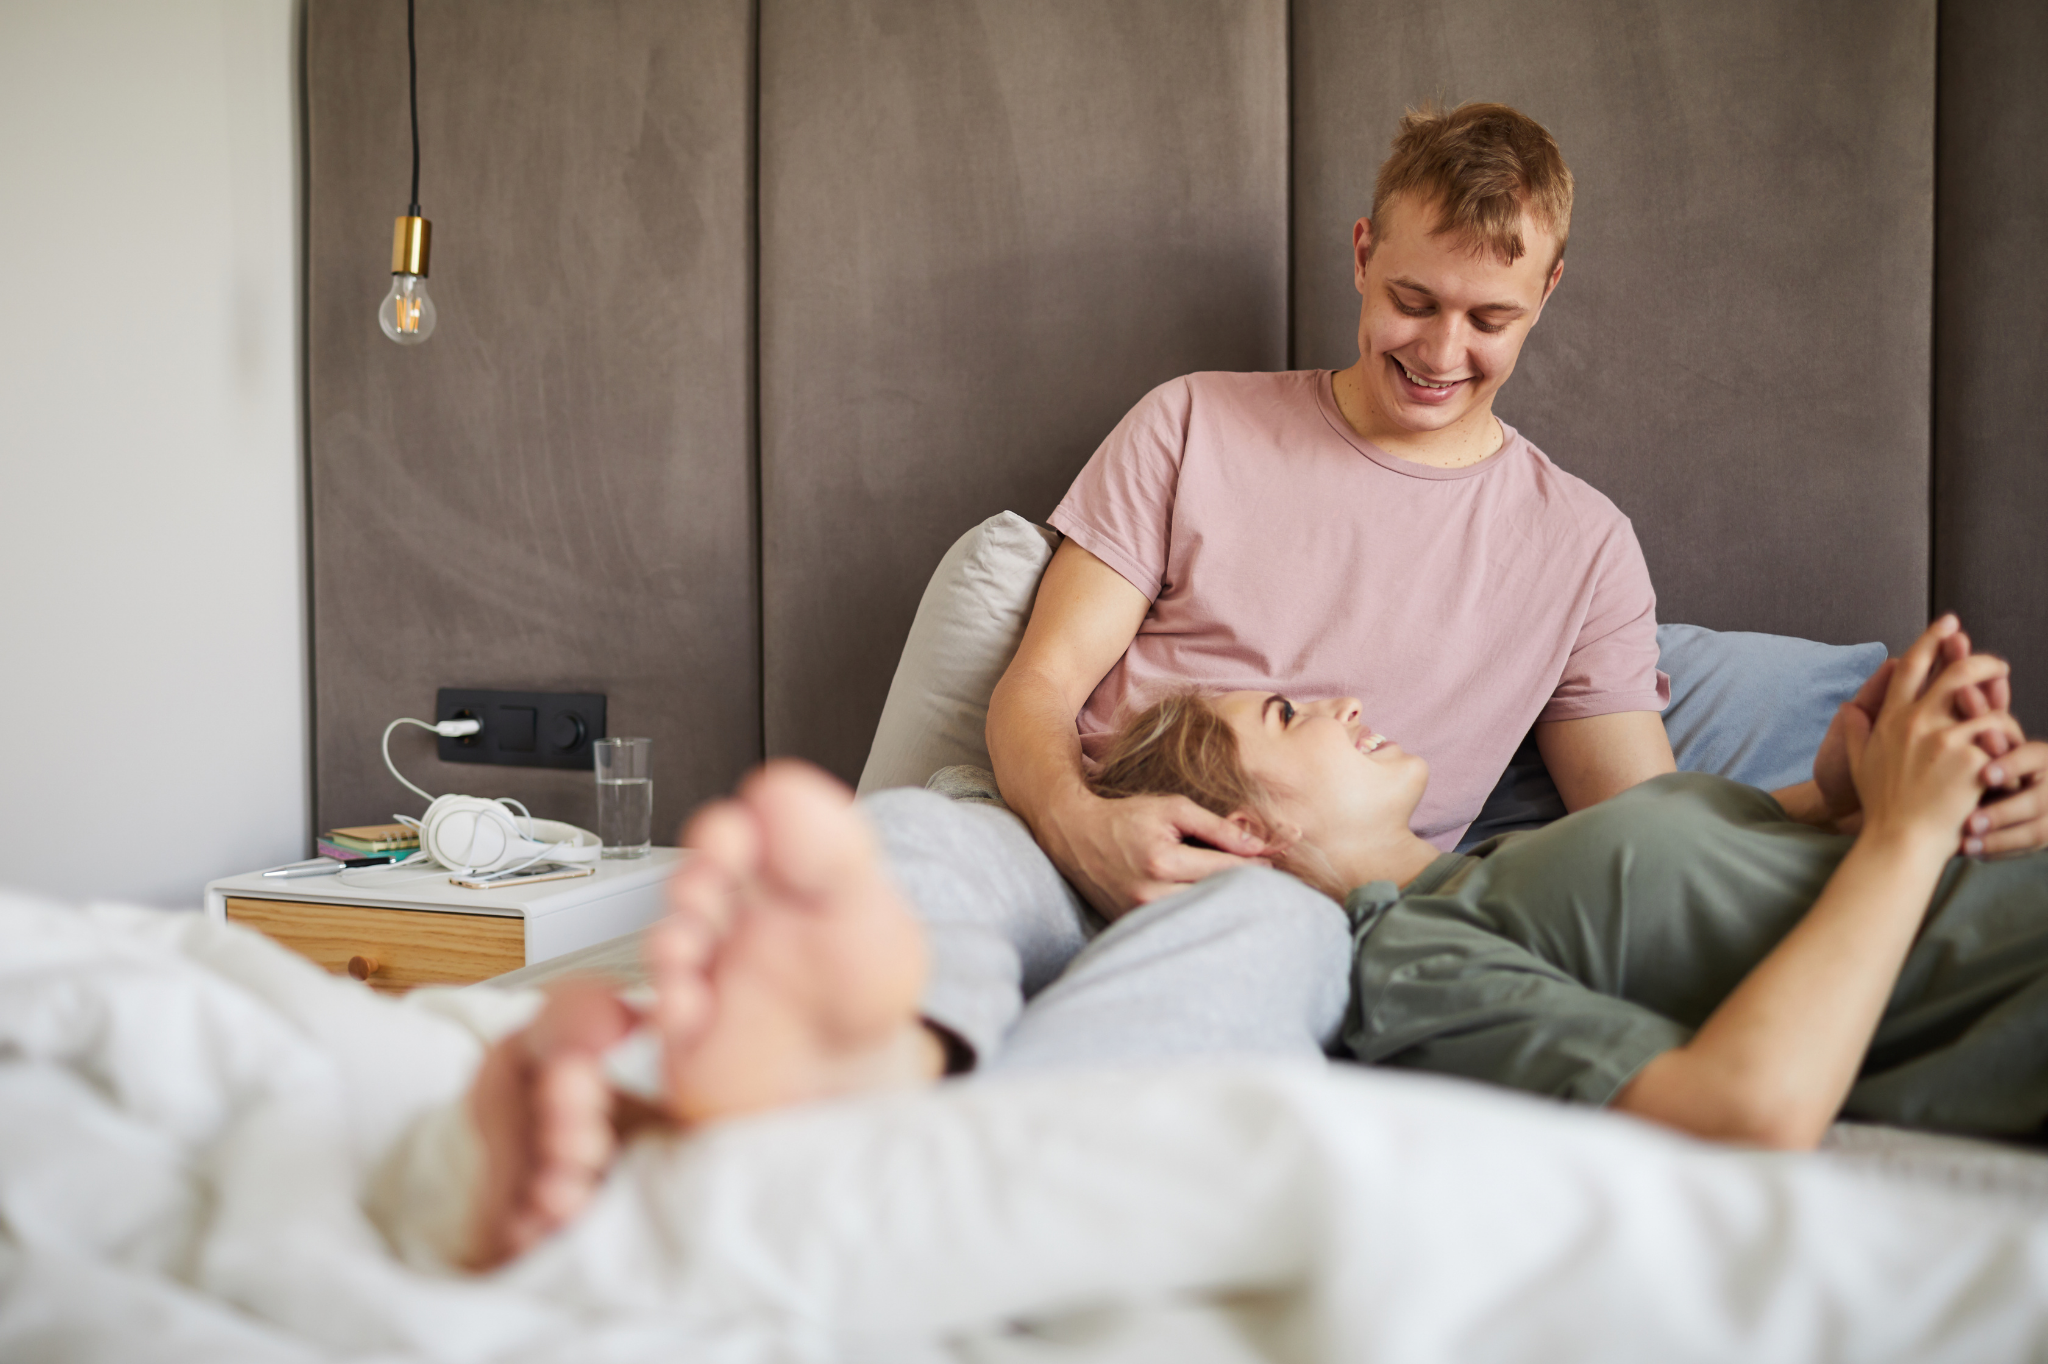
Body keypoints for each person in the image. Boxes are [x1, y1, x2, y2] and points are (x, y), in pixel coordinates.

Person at [989, 99, 1678, 917]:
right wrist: (1078, 825)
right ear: (1362, 254)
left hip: (1305, 910)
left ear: (1548, 289)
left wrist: (1839, 810)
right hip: (1052, 840)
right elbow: (1039, 682)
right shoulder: (1191, 421)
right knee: (913, 854)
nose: (1440, 352)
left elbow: (1648, 836)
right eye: (1413, 302)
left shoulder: (1584, 548)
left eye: (1490, 318)